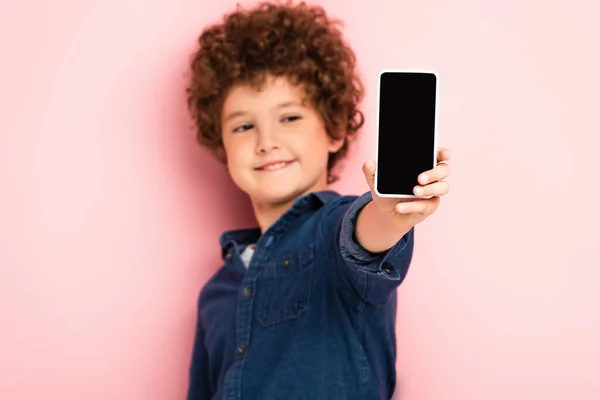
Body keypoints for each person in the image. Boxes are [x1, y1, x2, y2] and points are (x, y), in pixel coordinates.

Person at [184, 1, 451, 399]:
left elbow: (364, 239)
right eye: (243, 126)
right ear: (221, 144)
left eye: (289, 117)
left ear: (334, 129)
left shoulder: (335, 229)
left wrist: (390, 217)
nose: (266, 142)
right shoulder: (216, 292)